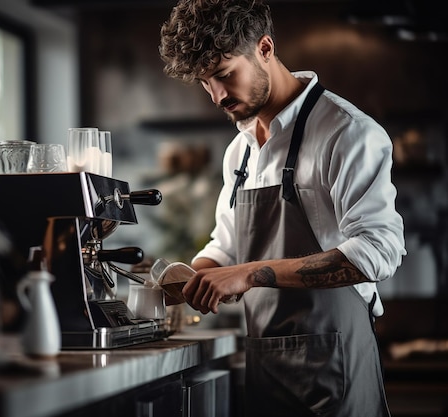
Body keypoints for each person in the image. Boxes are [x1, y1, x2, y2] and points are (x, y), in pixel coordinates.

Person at [159, 0, 406, 416]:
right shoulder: (239, 150)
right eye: (205, 83)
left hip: (335, 366)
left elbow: (378, 252)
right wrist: (189, 277)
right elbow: (228, 244)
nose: (217, 96)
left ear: (266, 49)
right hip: (266, 366)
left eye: (224, 75)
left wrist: (250, 273)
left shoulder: (347, 132)